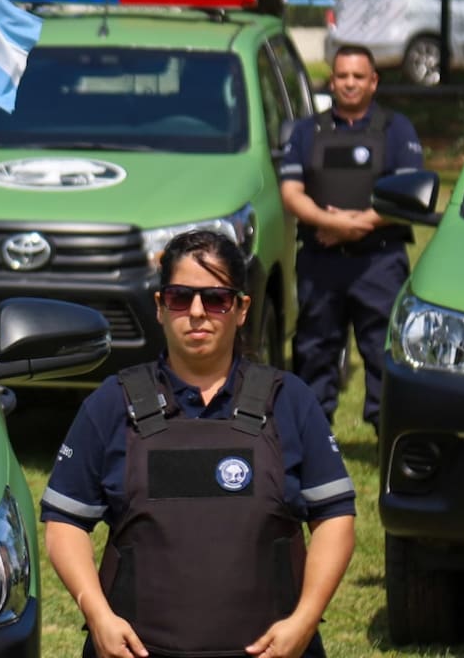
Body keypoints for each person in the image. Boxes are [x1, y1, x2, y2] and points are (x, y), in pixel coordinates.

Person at [42, 230, 355, 658]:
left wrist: (304, 621)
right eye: (179, 297)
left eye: (215, 299)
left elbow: (335, 518)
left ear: (242, 309)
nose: (196, 312)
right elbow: (65, 522)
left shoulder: (290, 401)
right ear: (159, 306)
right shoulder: (111, 404)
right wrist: (97, 613)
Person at [279, 45, 424, 432]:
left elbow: (411, 194)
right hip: (320, 262)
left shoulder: (398, 130)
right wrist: (333, 224)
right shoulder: (306, 132)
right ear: (332, 80)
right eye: (342, 76)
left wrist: (357, 223)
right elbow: (291, 192)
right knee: (313, 351)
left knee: (385, 354)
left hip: (379, 262)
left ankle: (389, 437)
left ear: (373, 81)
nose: (350, 83)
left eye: (358, 76)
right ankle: (312, 439)